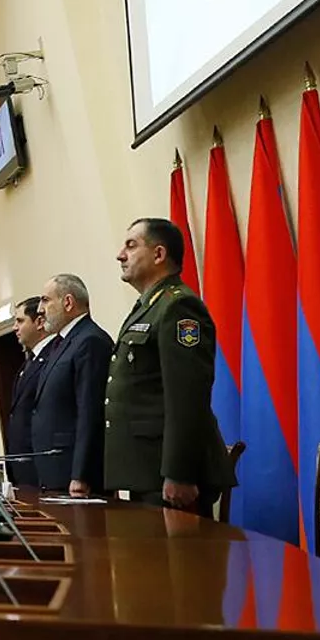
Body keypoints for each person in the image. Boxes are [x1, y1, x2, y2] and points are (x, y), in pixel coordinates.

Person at [108, 218, 236, 514]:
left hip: (169, 475)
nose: (120, 255)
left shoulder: (178, 307)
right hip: (147, 472)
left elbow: (187, 395)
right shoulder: (149, 306)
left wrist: (180, 471)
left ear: (159, 255)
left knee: (182, 561)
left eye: (131, 245)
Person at [32, 274, 113, 495]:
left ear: (68, 302)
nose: (40, 309)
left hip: (74, 476)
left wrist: (81, 474)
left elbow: (91, 411)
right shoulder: (62, 343)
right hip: (55, 470)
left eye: (46, 300)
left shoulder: (90, 341)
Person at [4, 297, 52, 487]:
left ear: (39, 322)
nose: (15, 328)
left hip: (41, 468)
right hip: (23, 468)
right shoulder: (28, 363)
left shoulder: (51, 359)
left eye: (20, 321)